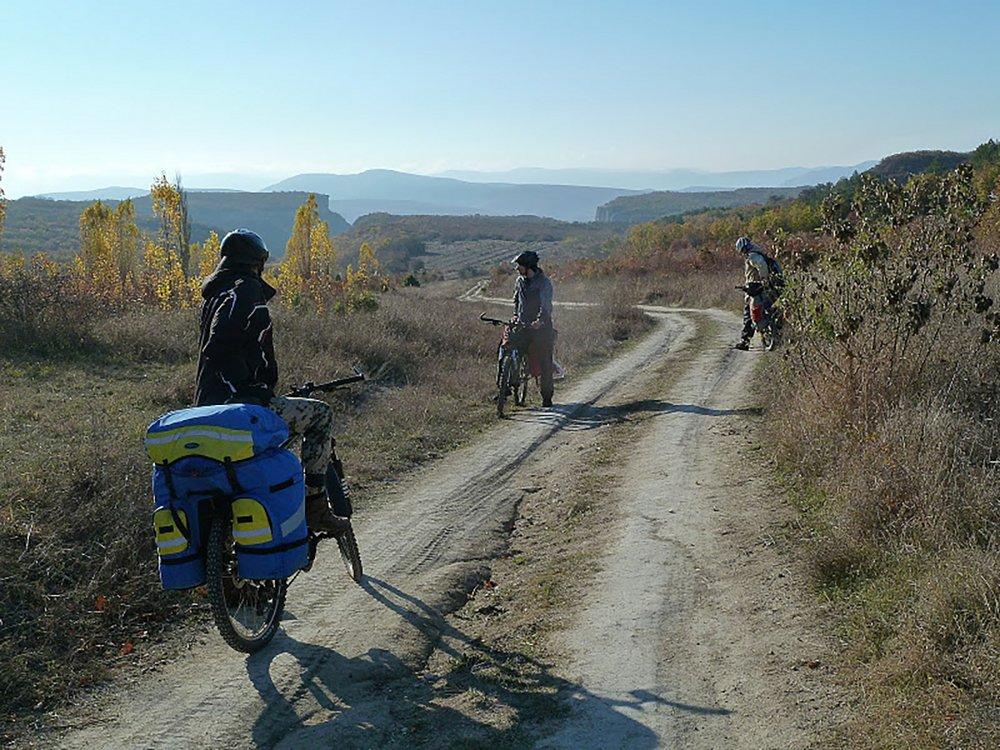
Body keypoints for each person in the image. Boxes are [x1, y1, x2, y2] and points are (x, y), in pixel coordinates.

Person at [196, 228, 347, 532]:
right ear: (257, 263)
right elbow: (219, 345)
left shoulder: (217, 294)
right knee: (320, 415)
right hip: (240, 407)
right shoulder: (246, 290)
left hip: (205, 407)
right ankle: (315, 505)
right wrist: (251, 390)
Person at [511, 250, 556, 407]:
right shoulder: (520, 281)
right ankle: (507, 387)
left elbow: (546, 306)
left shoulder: (544, 283)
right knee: (510, 348)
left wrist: (540, 320)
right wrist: (516, 315)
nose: (517, 269)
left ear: (528, 266)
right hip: (523, 324)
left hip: (541, 327)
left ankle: (547, 397)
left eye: (519, 266)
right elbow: (517, 300)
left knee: (545, 361)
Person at [733, 236, 782, 350]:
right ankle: (777, 333)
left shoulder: (752, 256)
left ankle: (745, 342)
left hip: (756, 288)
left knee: (748, 314)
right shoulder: (761, 253)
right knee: (770, 309)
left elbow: (761, 266)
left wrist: (763, 280)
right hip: (769, 287)